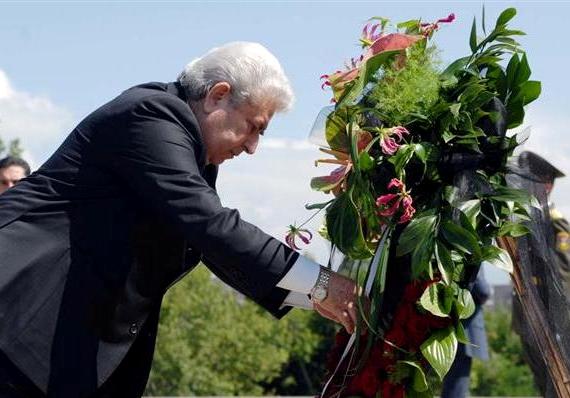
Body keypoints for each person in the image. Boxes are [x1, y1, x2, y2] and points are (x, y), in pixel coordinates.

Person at [0, 42, 365, 398]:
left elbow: (210, 245)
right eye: (254, 127)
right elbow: (210, 225)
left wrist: (315, 296)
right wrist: (320, 283)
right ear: (218, 95)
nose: (253, 147)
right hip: (20, 323)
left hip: (56, 350)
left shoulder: (192, 151)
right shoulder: (151, 114)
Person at [441, 268, 490, 398]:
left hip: (446, 327)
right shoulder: (472, 249)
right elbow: (483, 290)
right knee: (457, 387)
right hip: (464, 329)